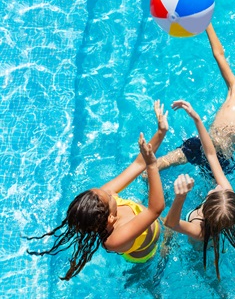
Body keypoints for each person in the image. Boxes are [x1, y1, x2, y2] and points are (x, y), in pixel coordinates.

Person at [26, 101, 168, 280]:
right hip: (147, 250)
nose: (109, 191)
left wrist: (161, 132)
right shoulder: (114, 240)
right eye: (109, 196)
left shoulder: (101, 200)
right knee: (153, 271)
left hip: (151, 222)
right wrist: (152, 165)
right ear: (111, 218)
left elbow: (138, 164)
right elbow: (155, 209)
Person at [153, 23, 235, 177]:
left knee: (215, 198)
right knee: (158, 164)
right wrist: (206, 23)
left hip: (221, 158)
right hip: (201, 144)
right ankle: (145, 181)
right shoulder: (234, 90)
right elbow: (219, 55)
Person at [164, 100, 235, 281]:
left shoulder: (200, 231)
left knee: (199, 268)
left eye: (214, 193)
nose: (216, 187)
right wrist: (197, 119)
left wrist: (180, 197)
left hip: (200, 246)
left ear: (207, 208)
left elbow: (172, 223)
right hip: (216, 226)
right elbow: (211, 154)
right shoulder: (227, 192)